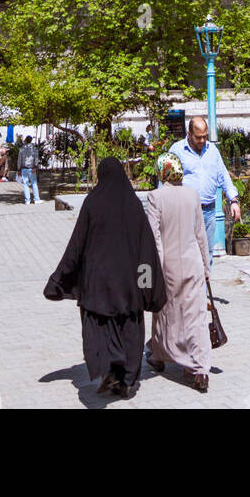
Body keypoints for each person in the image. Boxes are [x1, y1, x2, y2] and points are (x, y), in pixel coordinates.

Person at [43, 157, 166, 399]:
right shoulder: (132, 204)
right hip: (129, 286)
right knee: (130, 328)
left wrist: (59, 280)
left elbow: (76, 244)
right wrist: (147, 289)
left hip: (98, 284)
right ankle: (126, 378)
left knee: (100, 330)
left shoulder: (93, 202)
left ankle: (110, 370)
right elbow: (146, 250)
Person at [144, 152, 211, 392]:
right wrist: (205, 267)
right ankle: (200, 369)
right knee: (195, 317)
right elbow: (200, 234)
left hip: (168, 267)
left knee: (166, 316)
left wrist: (155, 273)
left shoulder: (155, 197)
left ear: (162, 171)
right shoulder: (192, 195)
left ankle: (160, 356)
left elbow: (155, 238)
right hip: (192, 263)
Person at [169, 117, 241, 265]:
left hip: (208, 211)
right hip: (185, 212)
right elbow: (165, 180)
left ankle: (204, 288)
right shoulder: (177, 150)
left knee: (206, 255)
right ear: (189, 134)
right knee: (187, 256)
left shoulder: (212, 150)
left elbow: (223, 176)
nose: (202, 140)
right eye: (198, 137)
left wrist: (233, 200)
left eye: (204, 136)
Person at [18, 136, 41, 204]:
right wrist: (35, 167)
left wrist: (18, 169)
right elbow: (36, 159)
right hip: (32, 168)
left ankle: (27, 200)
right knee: (34, 183)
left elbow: (19, 160)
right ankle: (36, 199)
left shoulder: (22, 149)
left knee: (25, 184)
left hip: (24, 168)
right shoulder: (34, 149)